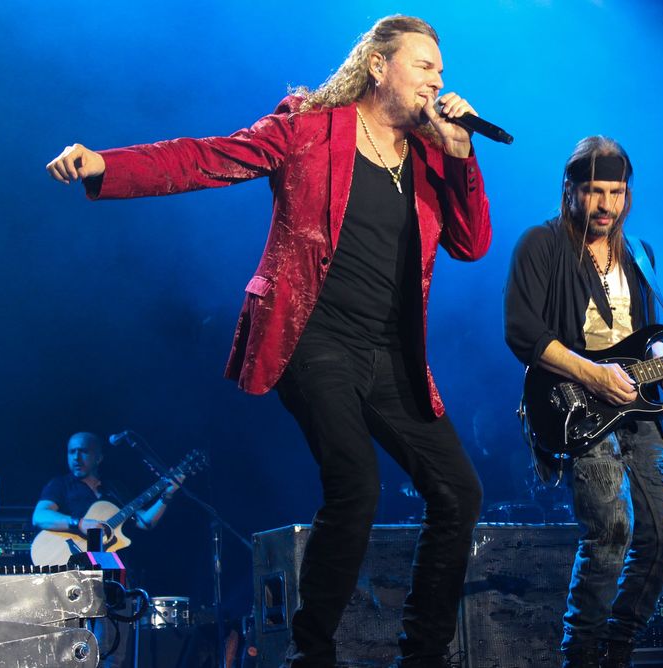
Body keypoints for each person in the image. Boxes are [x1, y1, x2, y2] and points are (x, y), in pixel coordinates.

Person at [45, 15, 491, 668]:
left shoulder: (428, 154)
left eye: (441, 72)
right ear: (378, 66)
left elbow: (471, 243)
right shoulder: (309, 128)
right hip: (313, 338)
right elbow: (206, 158)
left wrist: (461, 155)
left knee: (459, 493)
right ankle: (310, 655)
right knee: (356, 485)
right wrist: (105, 165)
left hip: (392, 355)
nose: (437, 82)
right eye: (424, 66)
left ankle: (421, 655)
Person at [503, 136, 663, 668]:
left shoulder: (640, 254)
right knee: (611, 532)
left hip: (636, 406)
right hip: (574, 405)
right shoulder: (540, 245)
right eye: (594, 191)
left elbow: (645, 332)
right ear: (569, 190)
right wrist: (594, 374)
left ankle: (617, 650)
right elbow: (522, 331)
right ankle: (581, 656)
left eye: (616, 192)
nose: (606, 204)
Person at [32, 431, 180, 667]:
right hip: (79, 576)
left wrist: (167, 495)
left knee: (115, 653)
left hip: (114, 576)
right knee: (90, 646)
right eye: (71, 452)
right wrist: (79, 523)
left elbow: (145, 521)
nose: (76, 457)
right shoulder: (60, 485)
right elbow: (40, 516)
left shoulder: (114, 490)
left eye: (83, 451)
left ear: (99, 457)